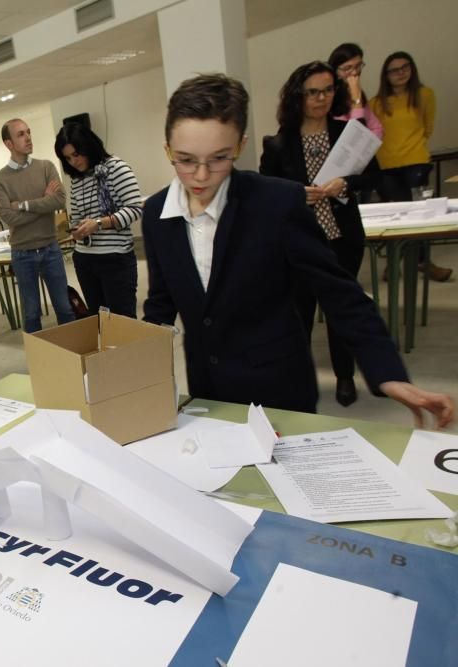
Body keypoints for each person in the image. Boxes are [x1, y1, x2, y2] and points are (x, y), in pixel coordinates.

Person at [141, 73, 453, 427]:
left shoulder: (277, 202)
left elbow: (339, 292)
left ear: (240, 146)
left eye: (218, 158)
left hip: (278, 389)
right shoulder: (156, 214)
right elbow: (160, 304)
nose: (200, 175)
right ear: (167, 148)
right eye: (184, 159)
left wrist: (388, 372)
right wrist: (130, 371)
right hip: (209, 392)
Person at [260, 61, 380, 407]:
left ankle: (345, 377)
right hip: (299, 243)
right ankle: (301, 377)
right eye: (313, 91)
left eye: (328, 90)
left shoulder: (348, 134)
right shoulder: (280, 142)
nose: (322, 98)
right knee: (300, 313)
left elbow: (375, 176)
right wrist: (296, 193)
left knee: (341, 308)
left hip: (343, 238)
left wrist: (347, 183)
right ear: (299, 95)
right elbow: (266, 190)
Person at [370, 51, 450, 282]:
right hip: (385, 165)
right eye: (394, 70)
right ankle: (395, 262)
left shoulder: (424, 94)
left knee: (420, 215)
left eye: (405, 67)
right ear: (386, 75)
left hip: (415, 161)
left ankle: (424, 262)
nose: (400, 73)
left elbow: (428, 126)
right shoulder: (376, 103)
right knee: (393, 215)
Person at [0, 118, 76, 333]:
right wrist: (42, 204)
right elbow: (9, 218)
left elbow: (59, 201)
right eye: (20, 134)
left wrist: (24, 205)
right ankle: (40, 361)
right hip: (22, 254)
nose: (28, 137)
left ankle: (72, 356)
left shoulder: (46, 167)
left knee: (65, 308)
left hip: (51, 249)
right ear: (8, 143)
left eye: (28, 132)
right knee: (31, 313)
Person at [54, 122, 143, 317]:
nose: (73, 162)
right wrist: (74, 230)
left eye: (76, 155)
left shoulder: (116, 168)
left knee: (123, 321)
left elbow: (136, 208)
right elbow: (77, 217)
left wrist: (100, 223)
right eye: (67, 158)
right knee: (99, 319)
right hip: (85, 259)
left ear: (88, 146)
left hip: (115, 257)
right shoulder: (76, 180)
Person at [327, 43, 383, 139]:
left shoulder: (356, 91)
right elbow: (354, 137)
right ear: (335, 71)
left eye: (358, 66)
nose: (355, 72)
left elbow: (378, 129)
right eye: (347, 68)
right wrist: (356, 99)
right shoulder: (330, 97)